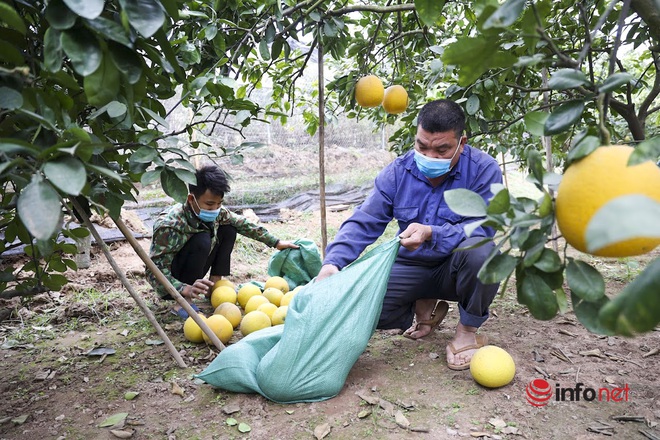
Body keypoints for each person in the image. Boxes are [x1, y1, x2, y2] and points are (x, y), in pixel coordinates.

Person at [316, 99, 503, 370]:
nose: (430, 156)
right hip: (411, 264)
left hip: (455, 265)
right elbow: (364, 220)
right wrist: (333, 263)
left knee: (484, 253)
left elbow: (484, 227)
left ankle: (467, 331)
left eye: (442, 150)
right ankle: (420, 300)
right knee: (360, 307)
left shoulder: (483, 170)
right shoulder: (398, 172)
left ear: (461, 143)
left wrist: (432, 233)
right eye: (422, 146)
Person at [147, 164, 298, 318]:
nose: (215, 209)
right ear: (191, 199)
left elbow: (241, 223)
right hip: (171, 284)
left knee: (229, 228)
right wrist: (183, 288)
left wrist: (275, 242)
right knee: (202, 239)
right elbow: (154, 271)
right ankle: (183, 302)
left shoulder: (216, 212)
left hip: (195, 277)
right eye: (210, 204)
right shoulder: (170, 225)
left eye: (219, 204)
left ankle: (214, 287)